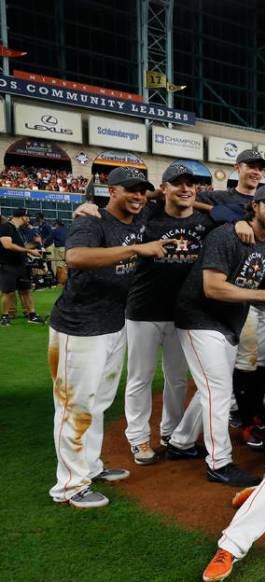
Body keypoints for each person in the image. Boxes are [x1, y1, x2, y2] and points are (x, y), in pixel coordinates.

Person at [48, 167, 169, 509]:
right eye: (130, 190)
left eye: (143, 191)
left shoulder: (141, 212)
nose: (138, 196)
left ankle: (90, 467)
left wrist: (156, 193)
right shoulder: (92, 221)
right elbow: (76, 257)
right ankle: (68, 487)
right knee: (76, 406)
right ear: (110, 190)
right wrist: (136, 250)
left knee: (99, 403)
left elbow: (164, 194)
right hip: (79, 326)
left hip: (113, 325)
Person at [169, 185, 265, 486]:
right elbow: (212, 287)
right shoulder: (226, 236)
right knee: (218, 391)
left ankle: (180, 442)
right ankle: (219, 463)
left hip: (226, 325)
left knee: (209, 390)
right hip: (199, 318)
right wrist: (261, 294)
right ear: (254, 207)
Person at [123, 162, 217, 465]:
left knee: (177, 378)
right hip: (144, 310)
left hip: (183, 314)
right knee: (140, 377)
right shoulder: (147, 216)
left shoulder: (205, 221)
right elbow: (123, 206)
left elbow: (232, 216)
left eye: (191, 184)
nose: (186, 188)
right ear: (163, 188)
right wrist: (88, 207)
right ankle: (138, 439)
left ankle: (171, 433)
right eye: (177, 183)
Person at [0, 207, 44, 326]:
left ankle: (32, 315)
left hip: (21, 265)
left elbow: (21, 246)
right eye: (27, 216)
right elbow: (7, 245)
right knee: (8, 292)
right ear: (22, 216)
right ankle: (4, 317)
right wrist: (29, 251)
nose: (28, 219)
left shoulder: (18, 229)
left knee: (26, 290)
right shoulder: (6, 227)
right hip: (9, 265)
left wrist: (35, 244)